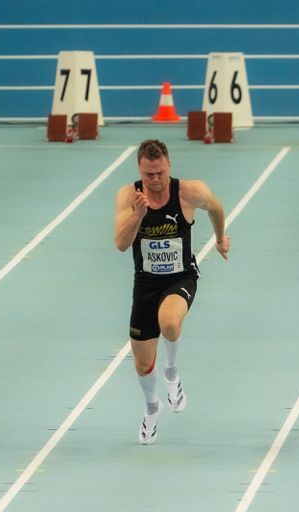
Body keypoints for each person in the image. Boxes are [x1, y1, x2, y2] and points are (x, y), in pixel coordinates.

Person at [114, 139, 228, 445]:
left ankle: (172, 373)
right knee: (140, 362)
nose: (154, 180)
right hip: (146, 284)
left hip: (181, 277)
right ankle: (152, 408)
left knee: (170, 322)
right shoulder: (129, 196)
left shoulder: (189, 192)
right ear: (140, 169)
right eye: (148, 174)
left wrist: (219, 238)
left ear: (169, 166)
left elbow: (215, 207)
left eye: (160, 173)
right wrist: (137, 216)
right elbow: (121, 243)